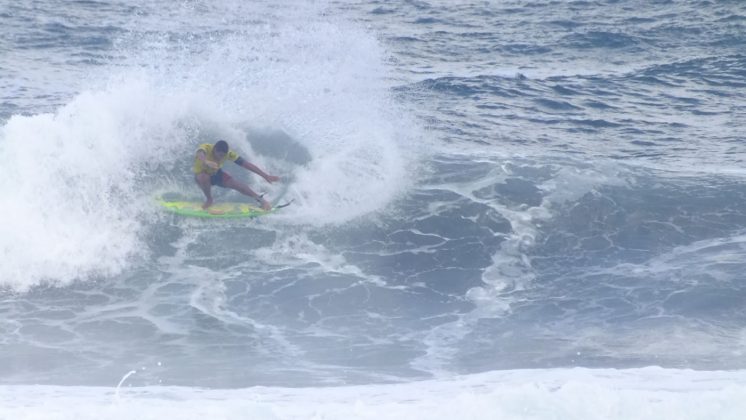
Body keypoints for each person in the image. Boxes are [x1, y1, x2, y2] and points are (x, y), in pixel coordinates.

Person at [193, 140, 279, 212]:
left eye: (223, 156)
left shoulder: (228, 153)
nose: (221, 158)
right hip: (201, 176)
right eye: (220, 155)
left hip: (216, 174)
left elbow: (246, 164)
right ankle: (209, 199)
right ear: (214, 149)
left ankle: (261, 201)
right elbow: (200, 153)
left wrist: (265, 176)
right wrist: (206, 162)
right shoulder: (206, 147)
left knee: (236, 184)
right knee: (203, 177)